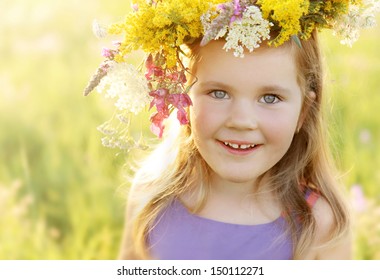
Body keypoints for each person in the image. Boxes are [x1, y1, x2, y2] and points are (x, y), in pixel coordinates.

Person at [85, 0, 379, 259]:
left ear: (303, 111)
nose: (241, 120)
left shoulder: (319, 223)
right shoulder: (152, 194)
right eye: (218, 93)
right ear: (184, 97)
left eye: (270, 98)